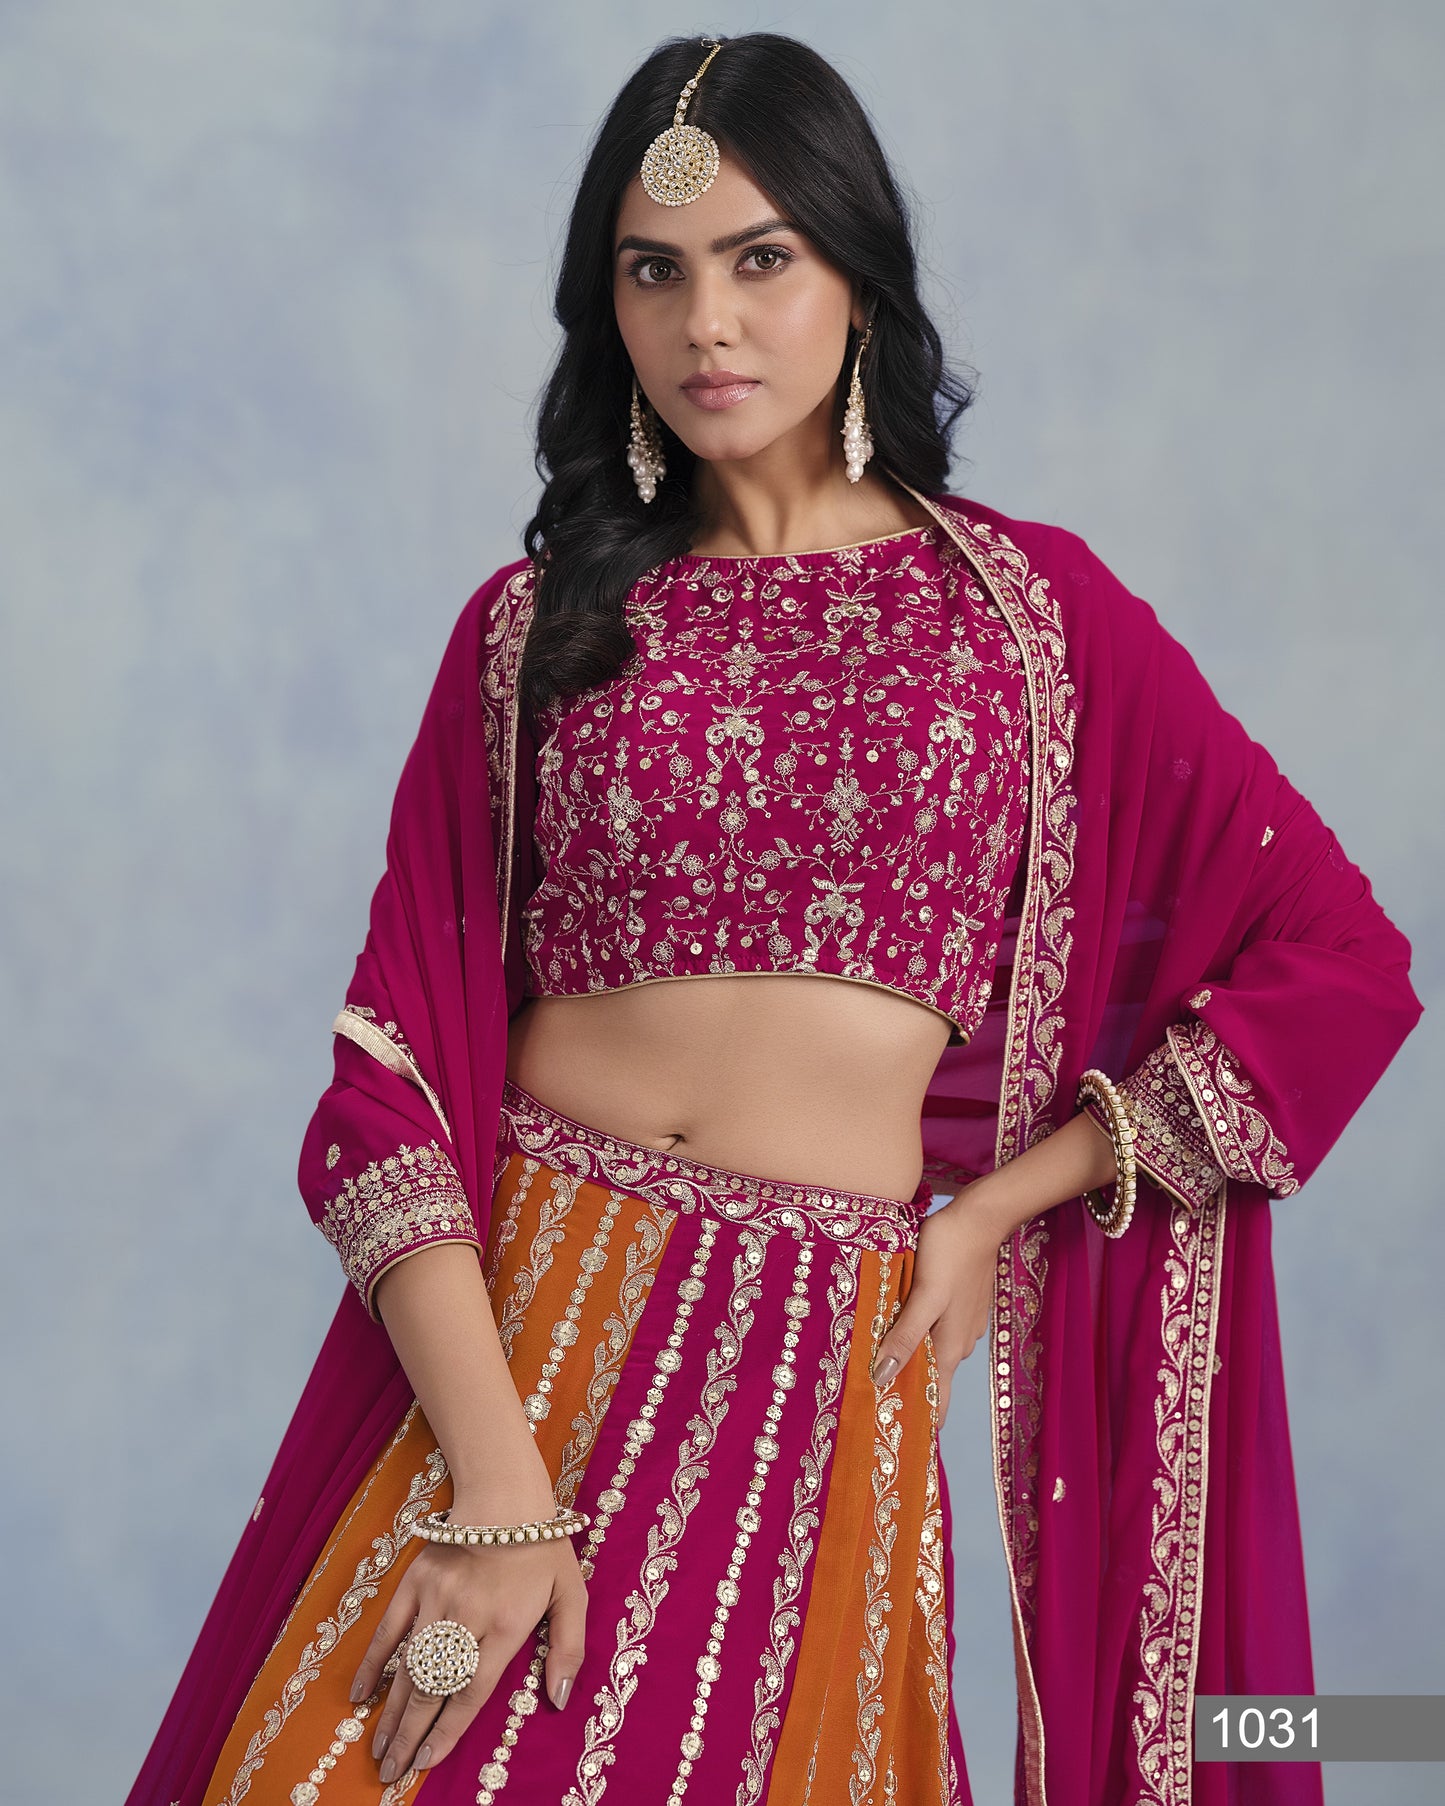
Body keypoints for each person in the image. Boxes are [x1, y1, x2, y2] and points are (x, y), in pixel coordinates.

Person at [127, 31, 1422, 1806]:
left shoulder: (1029, 624)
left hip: (818, 1384)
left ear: (857, 279)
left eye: (760, 260)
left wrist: (1003, 1204)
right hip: (506, 1352)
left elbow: (1336, 963)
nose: (706, 325)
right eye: (652, 272)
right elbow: (387, 1086)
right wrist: (496, 1493)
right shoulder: (532, 629)